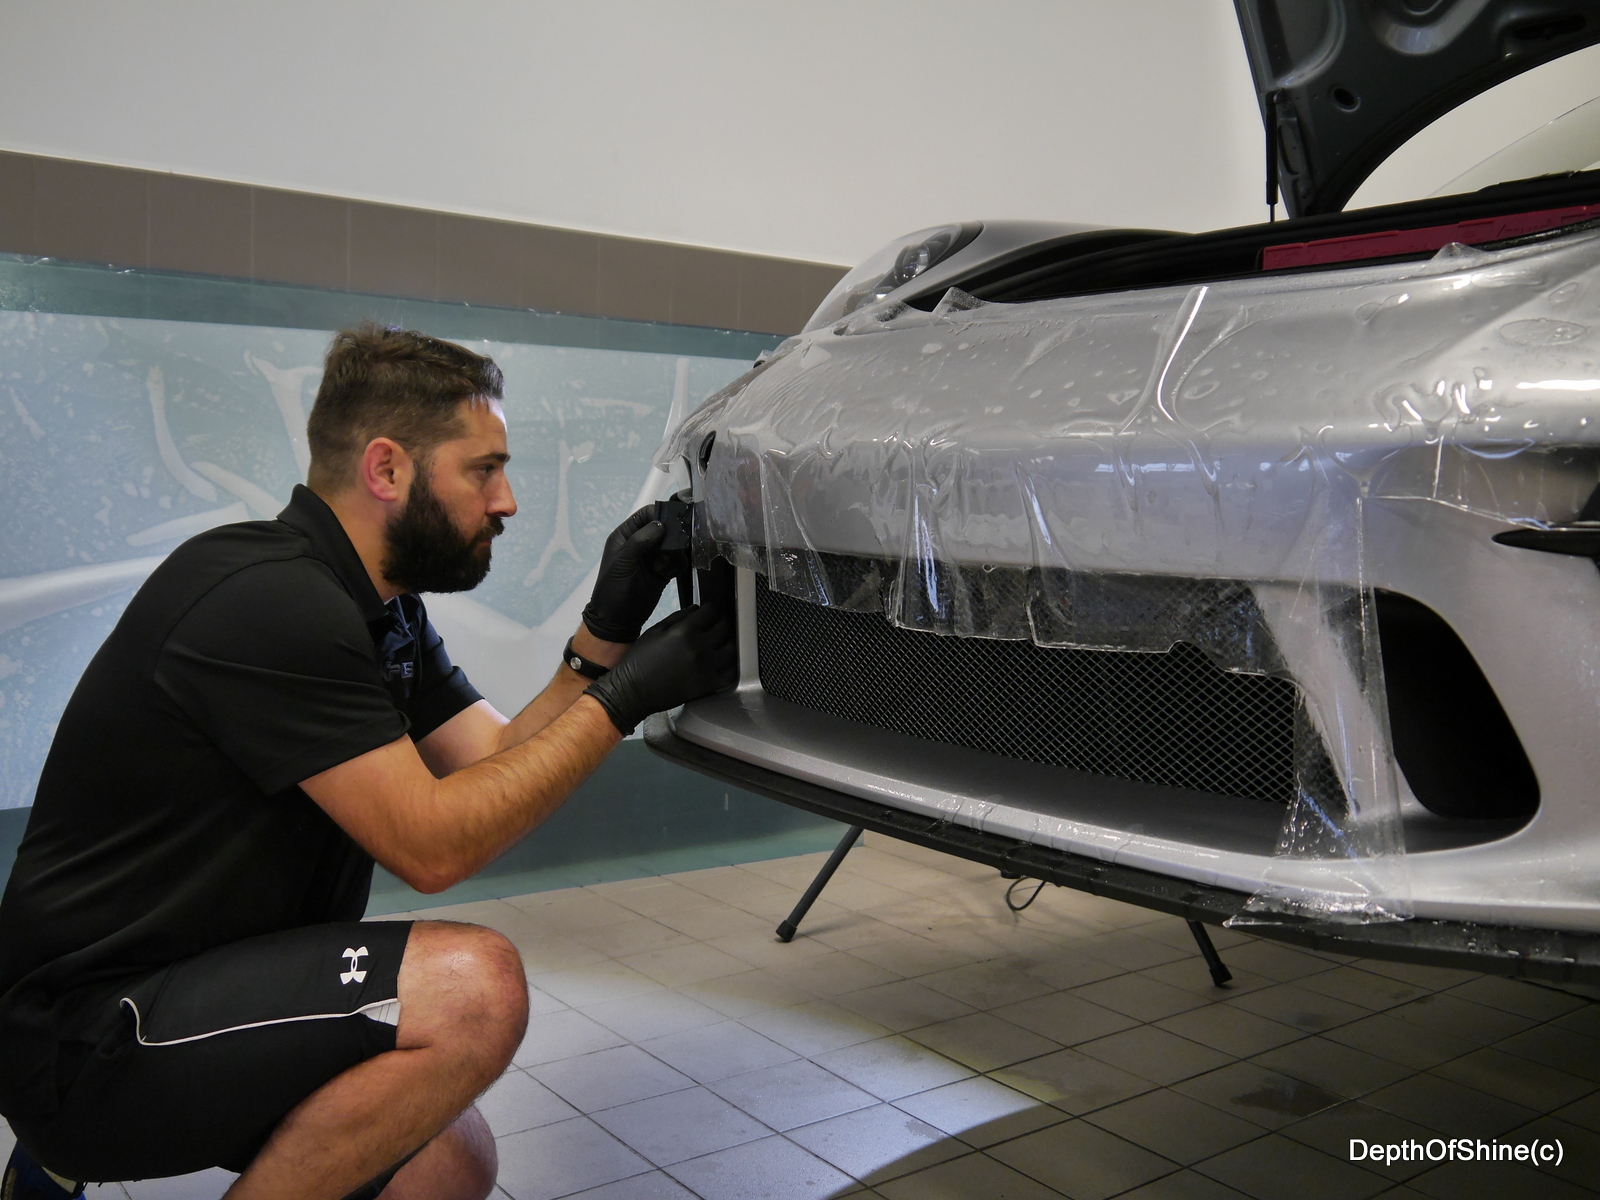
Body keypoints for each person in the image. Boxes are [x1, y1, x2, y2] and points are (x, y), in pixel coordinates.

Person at [0, 325, 735, 1200]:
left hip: (204, 994)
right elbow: (433, 846)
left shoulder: (379, 611)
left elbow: (494, 757)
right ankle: (62, 1152)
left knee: (449, 1159)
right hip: (88, 1034)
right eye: (483, 470)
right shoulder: (269, 598)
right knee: (475, 991)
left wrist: (604, 636)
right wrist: (622, 703)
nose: (506, 502)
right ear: (386, 469)